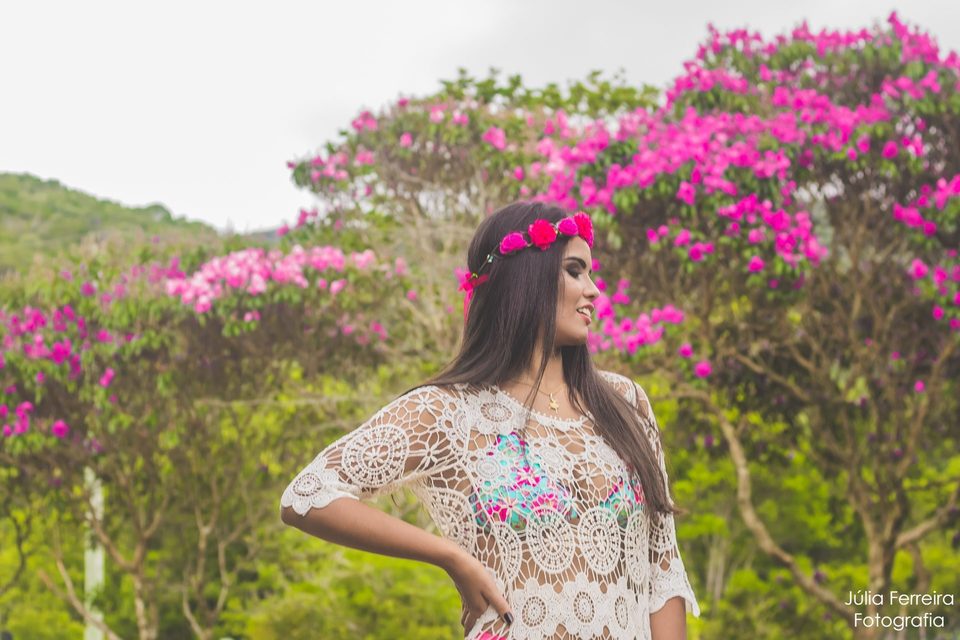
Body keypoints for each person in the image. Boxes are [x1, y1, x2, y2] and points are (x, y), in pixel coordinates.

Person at [280, 201, 701, 639]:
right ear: (526, 279)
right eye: (575, 271)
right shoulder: (447, 412)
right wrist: (451, 557)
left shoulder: (624, 403)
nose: (593, 290)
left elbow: (662, 572)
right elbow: (308, 494)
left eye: (591, 273)